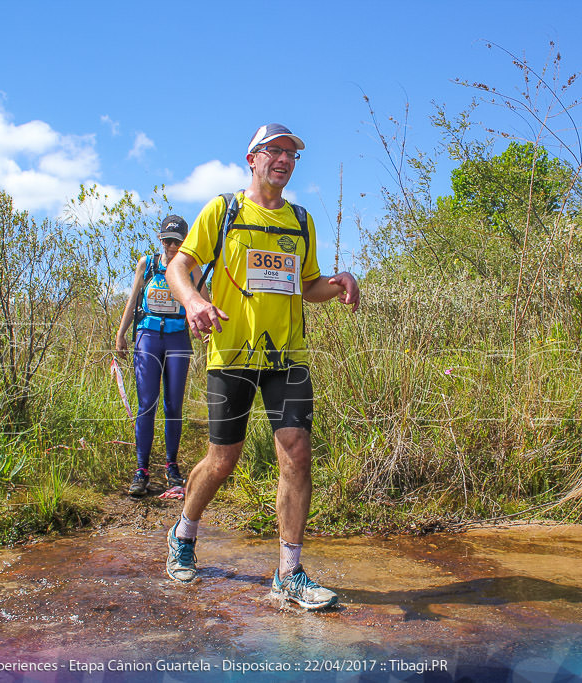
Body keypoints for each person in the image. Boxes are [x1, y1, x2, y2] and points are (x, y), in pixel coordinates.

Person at [163, 123, 360, 610]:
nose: (284, 160)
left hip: (286, 357)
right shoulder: (223, 210)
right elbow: (178, 268)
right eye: (274, 151)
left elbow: (306, 285)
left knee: (296, 452)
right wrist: (191, 302)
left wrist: (337, 283)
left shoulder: (300, 220)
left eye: (292, 154)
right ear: (251, 158)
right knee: (222, 460)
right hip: (231, 354)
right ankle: (184, 532)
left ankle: (289, 573)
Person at [115, 215, 203, 496]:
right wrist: (120, 334)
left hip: (178, 338)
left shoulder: (193, 268)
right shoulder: (148, 264)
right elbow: (132, 299)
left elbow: (205, 300)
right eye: (166, 240)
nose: (171, 246)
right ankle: (141, 470)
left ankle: (172, 466)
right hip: (147, 337)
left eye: (176, 242)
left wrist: (213, 329)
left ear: (184, 242)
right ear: (160, 238)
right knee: (146, 405)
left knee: (173, 406)